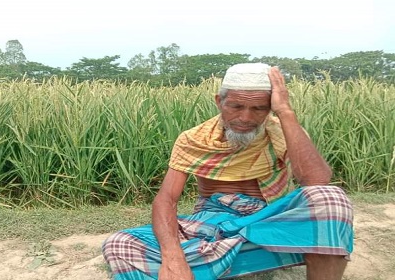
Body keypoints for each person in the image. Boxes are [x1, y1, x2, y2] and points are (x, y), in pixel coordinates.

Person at [102, 63, 354, 280]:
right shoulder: (193, 139)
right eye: (235, 106)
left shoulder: (283, 131)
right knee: (121, 244)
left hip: (267, 220)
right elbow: (166, 199)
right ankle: (240, 255)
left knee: (330, 198)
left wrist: (285, 112)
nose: (245, 117)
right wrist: (173, 255)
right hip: (212, 222)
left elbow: (317, 181)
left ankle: (213, 259)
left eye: (258, 109)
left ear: (269, 108)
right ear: (218, 101)